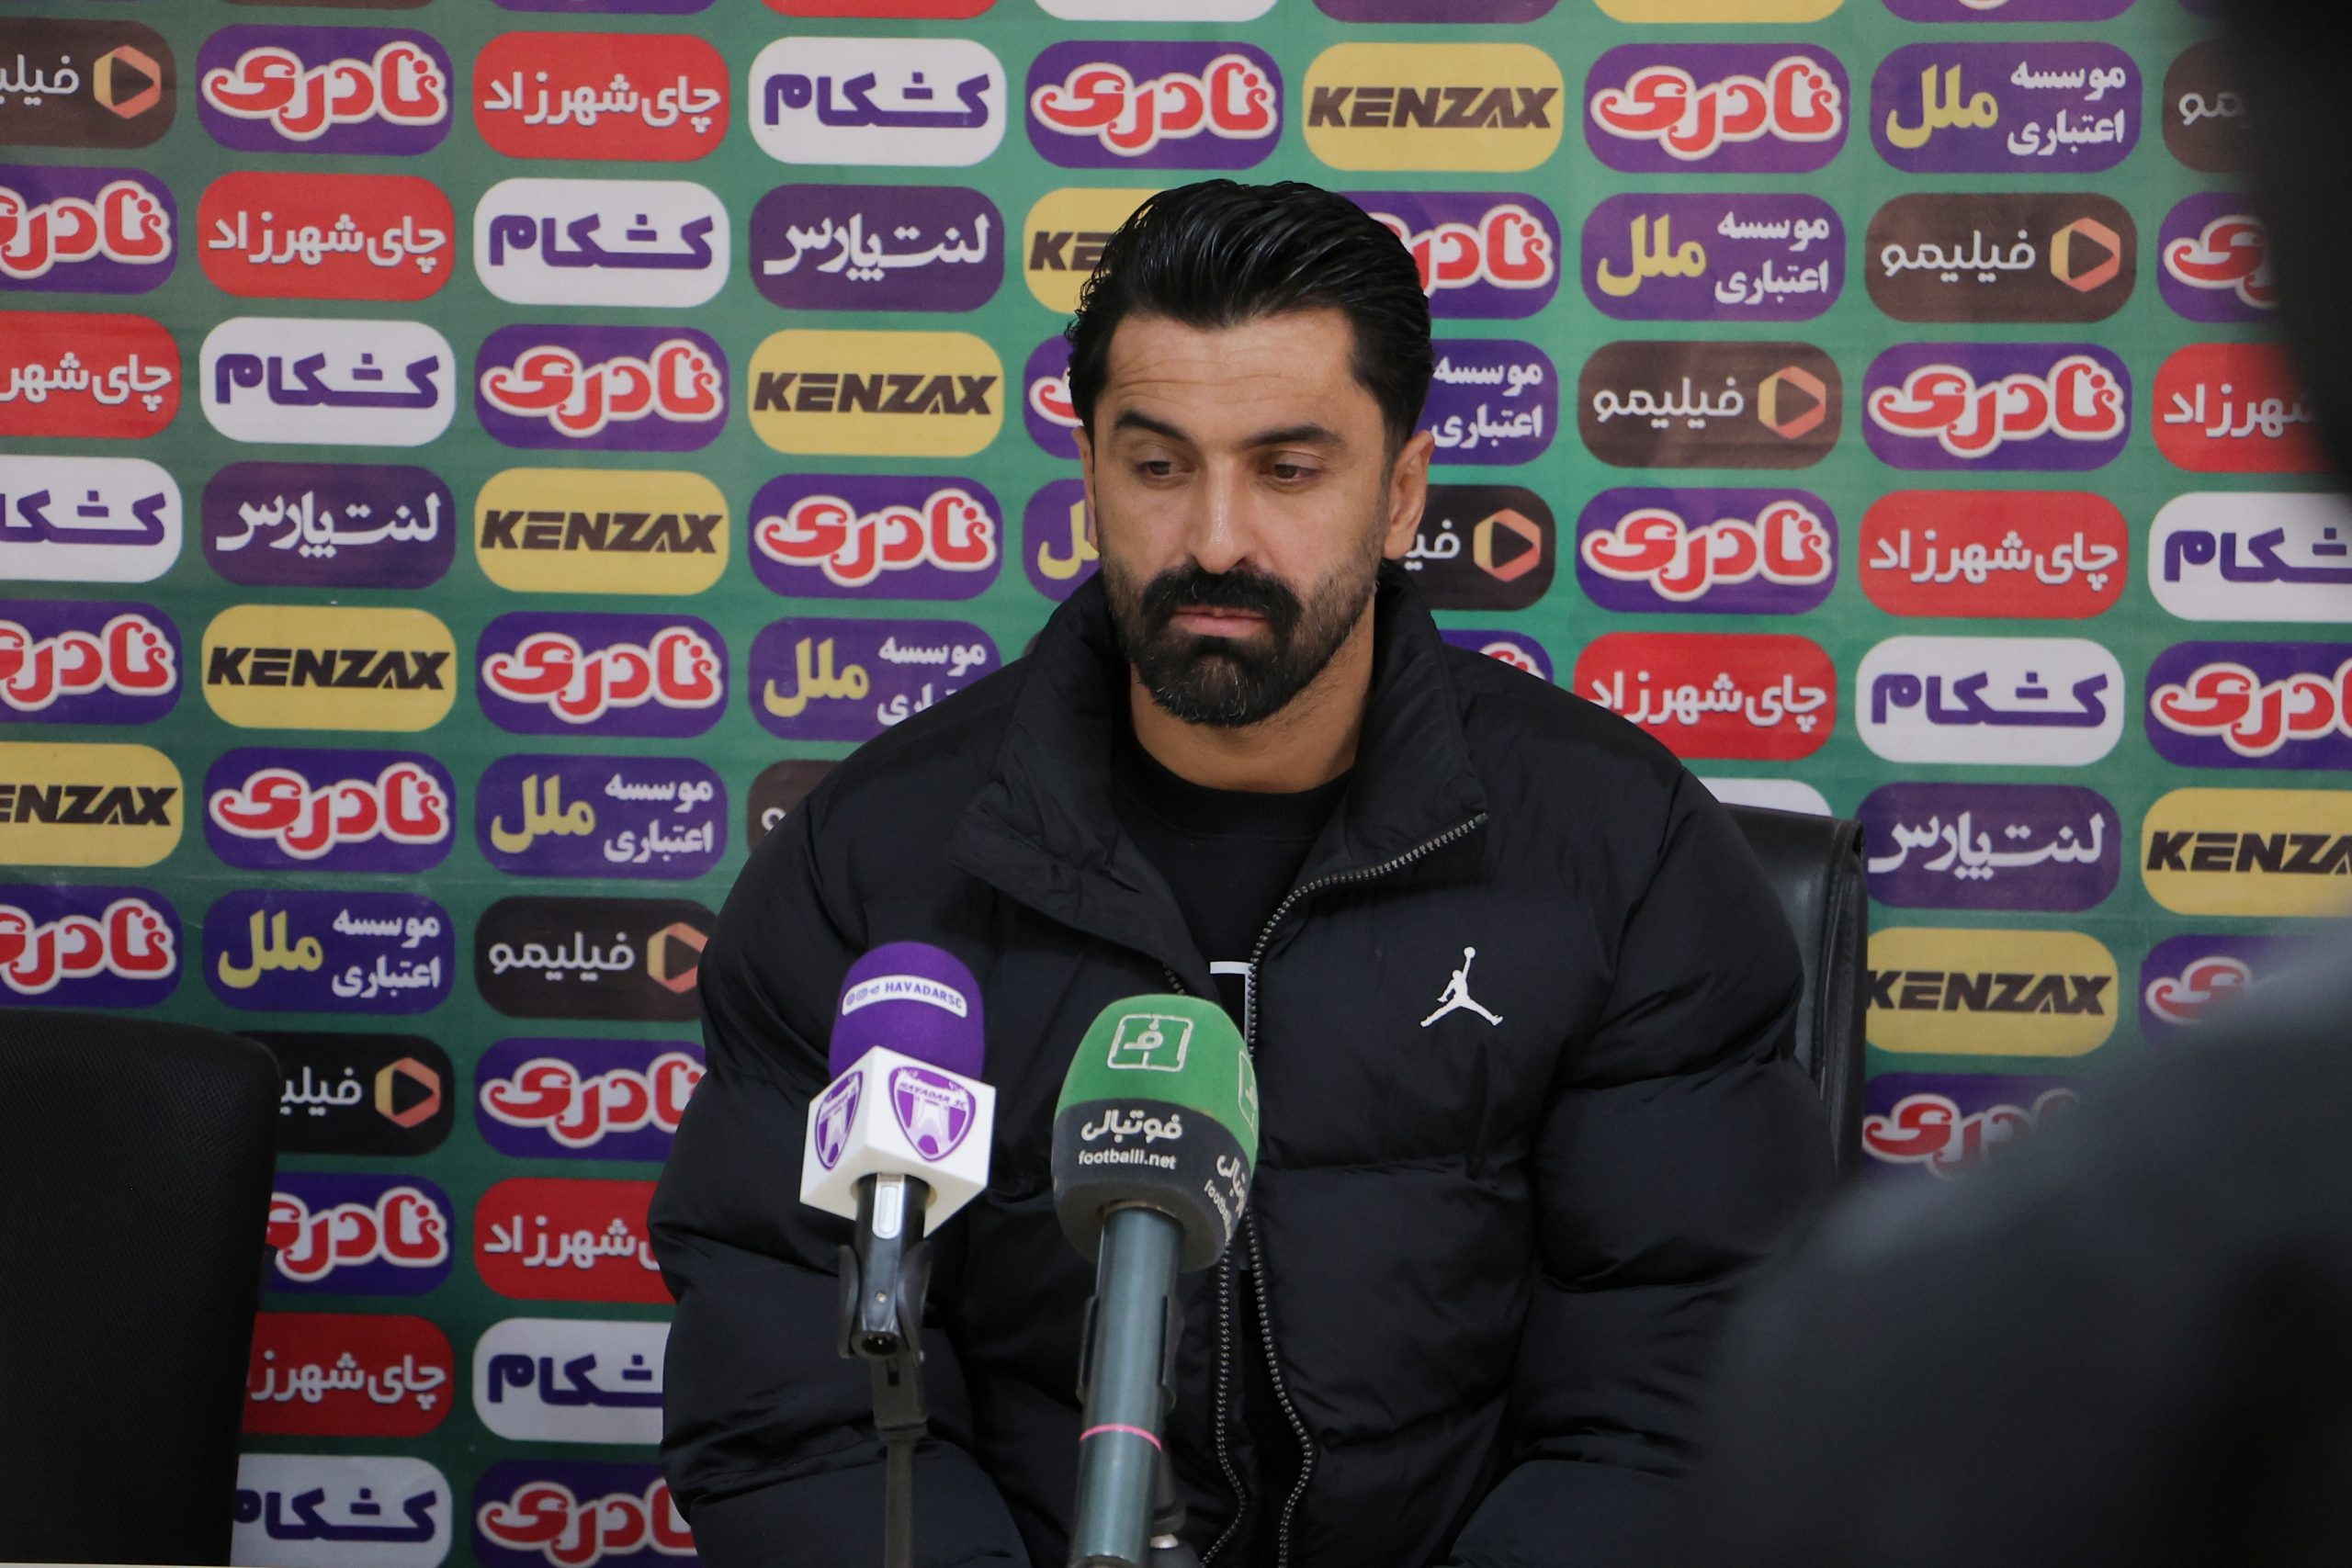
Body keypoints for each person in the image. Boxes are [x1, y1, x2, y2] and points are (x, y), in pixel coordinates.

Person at [650, 179, 1832, 1568]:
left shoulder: (1621, 852)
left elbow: (1672, 1404)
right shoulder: (872, 868)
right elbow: (801, 1407)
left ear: (1400, 493)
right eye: (1159, 467)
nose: (1214, 540)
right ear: (1090, 471)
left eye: (1287, 470)